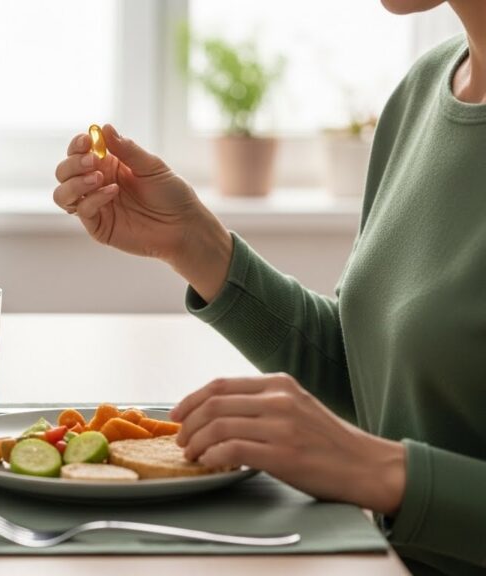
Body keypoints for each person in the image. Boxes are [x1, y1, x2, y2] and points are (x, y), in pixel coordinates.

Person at [53, 1, 486, 574]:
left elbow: (381, 448)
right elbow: (372, 380)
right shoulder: (424, 90)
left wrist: (379, 471)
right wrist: (196, 244)